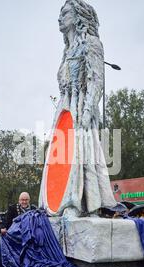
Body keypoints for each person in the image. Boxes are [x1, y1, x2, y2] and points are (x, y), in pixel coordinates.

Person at [38, 0, 118, 217]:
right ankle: (57, 203)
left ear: (78, 16)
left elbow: (96, 80)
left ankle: (76, 203)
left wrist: (88, 110)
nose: (59, 18)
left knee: (80, 156)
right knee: (60, 158)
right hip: (64, 108)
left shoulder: (91, 43)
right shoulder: (66, 51)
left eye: (64, 13)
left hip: (81, 107)